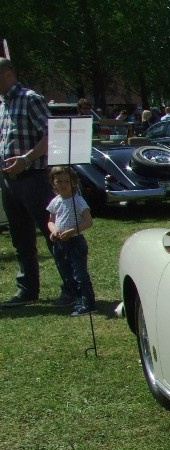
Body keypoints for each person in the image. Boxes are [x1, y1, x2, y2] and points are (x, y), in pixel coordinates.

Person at [0, 57, 74, 308]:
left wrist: (26, 158)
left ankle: (72, 288)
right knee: (20, 238)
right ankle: (27, 289)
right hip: (9, 181)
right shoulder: (2, 104)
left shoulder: (30, 98)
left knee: (53, 233)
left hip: (34, 178)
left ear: (8, 73)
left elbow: (52, 132)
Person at [46, 166, 94, 316]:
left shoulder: (78, 201)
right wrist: (54, 231)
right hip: (60, 243)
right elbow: (51, 221)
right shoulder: (55, 201)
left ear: (73, 182)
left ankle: (88, 303)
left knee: (79, 274)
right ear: (53, 183)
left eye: (67, 181)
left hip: (75, 242)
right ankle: (74, 298)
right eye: (59, 181)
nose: (63, 184)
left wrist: (72, 231)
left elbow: (88, 221)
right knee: (66, 272)